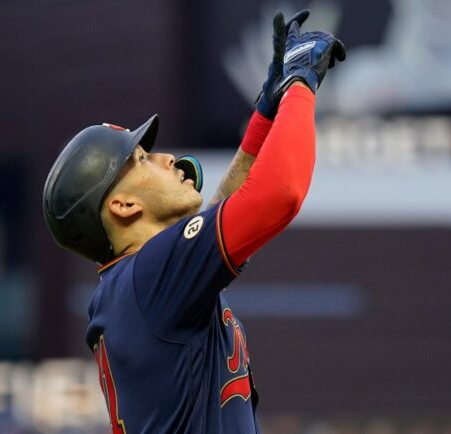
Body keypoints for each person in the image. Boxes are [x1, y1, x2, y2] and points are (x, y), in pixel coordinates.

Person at [43, 10, 345, 433]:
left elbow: (226, 207)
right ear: (124, 206)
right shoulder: (150, 277)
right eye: (142, 159)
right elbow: (279, 194)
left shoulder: (137, 283)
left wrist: (265, 112)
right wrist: (300, 84)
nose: (166, 158)